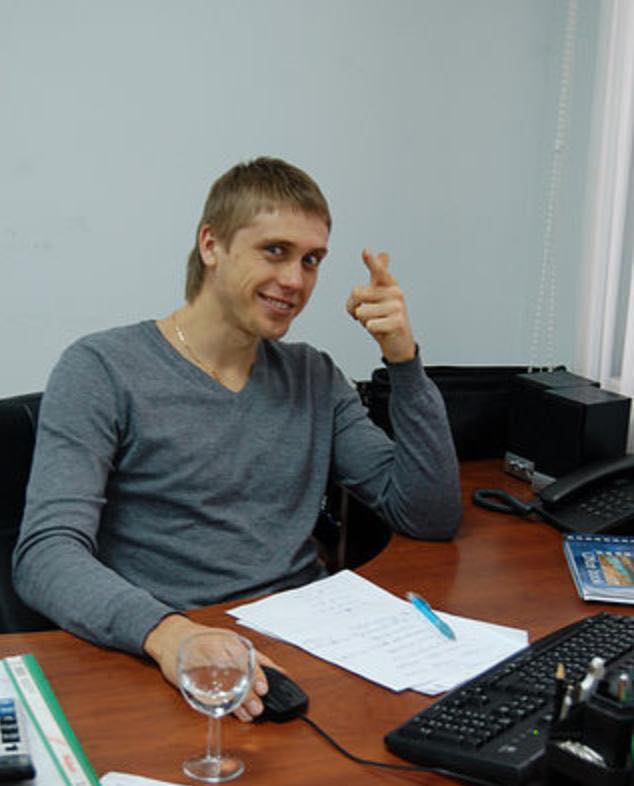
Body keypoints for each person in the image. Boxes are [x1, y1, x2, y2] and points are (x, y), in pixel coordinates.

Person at [13, 157, 461, 722]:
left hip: (307, 650)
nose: (295, 280)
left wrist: (404, 362)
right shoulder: (101, 369)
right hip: (172, 658)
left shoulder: (314, 376)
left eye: (311, 260)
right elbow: (46, 555)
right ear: (211, 245)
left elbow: (428, 514)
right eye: (275, 251)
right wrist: (171, 635)